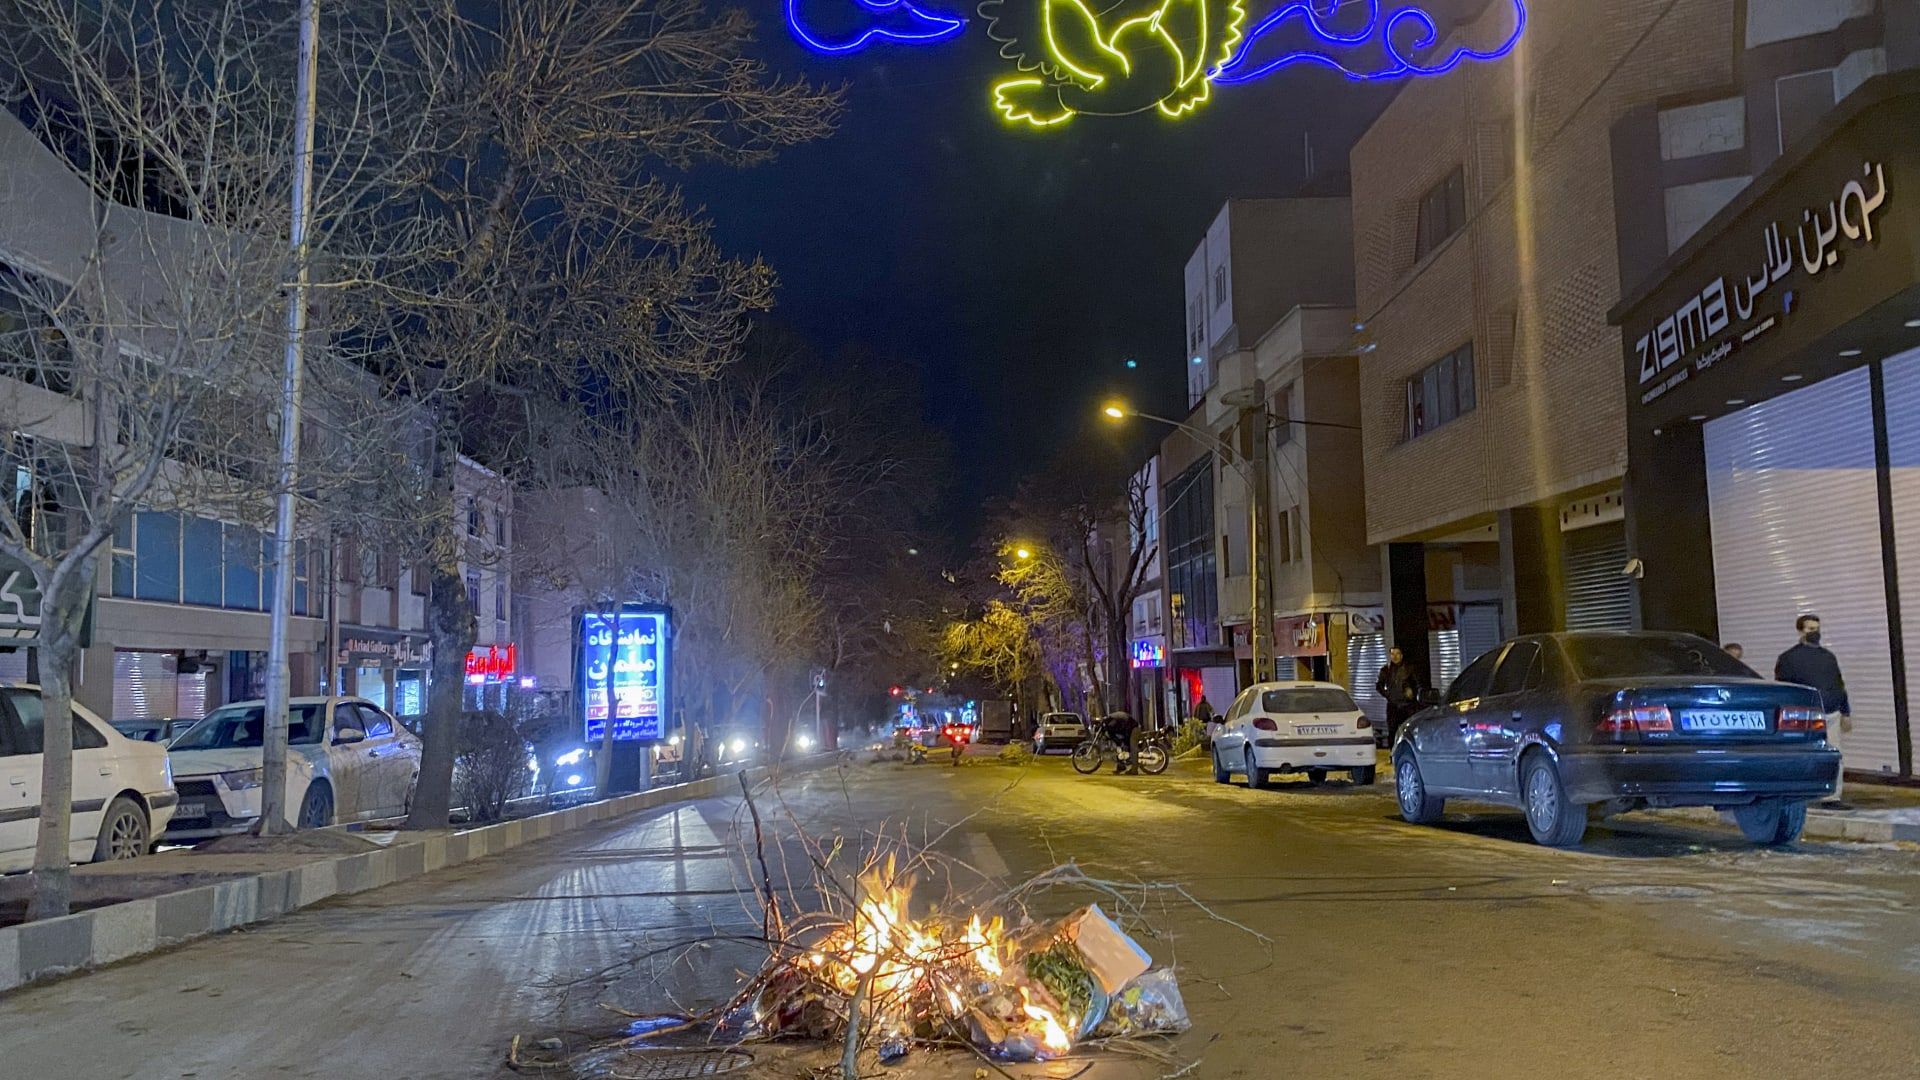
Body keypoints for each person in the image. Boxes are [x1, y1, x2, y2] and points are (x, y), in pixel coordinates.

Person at [1774, 614, 1852, 808]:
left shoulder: (1828, 657)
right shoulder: (1788, 658)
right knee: (1803, 754)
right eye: (1810, 629)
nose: (1815, 633)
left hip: (1831, 712)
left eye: (1816, 629)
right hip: (1804, 714)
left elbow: (1838, 684)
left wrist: (1846, 712)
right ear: (1800, 631)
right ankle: (1800, 794)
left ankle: (1831, 796)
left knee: (1834, 755)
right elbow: (1785, 689)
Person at [1375, 646, 1425, 744]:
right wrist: (1388, 695)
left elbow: (1418, 684)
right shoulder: (1386, 670)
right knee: (1392, 732)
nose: (1395, 656)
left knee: (1408, 731)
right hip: (1392, 706)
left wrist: (1412, 692)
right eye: (1392, 654)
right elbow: (1379, 686)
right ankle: (1393, 750)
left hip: (1407, 706)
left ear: (1401, 655)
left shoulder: (1409, 669)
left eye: (1397, 654)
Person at [1103, 709, 1141, 774]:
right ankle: (1121, 766)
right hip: (1129, 730)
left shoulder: (1113, 719)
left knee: (1133, 747)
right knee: (1121, 748)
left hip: (1134, 729)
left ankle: (1134, 770)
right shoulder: (1114, 720)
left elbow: (1123, 728)